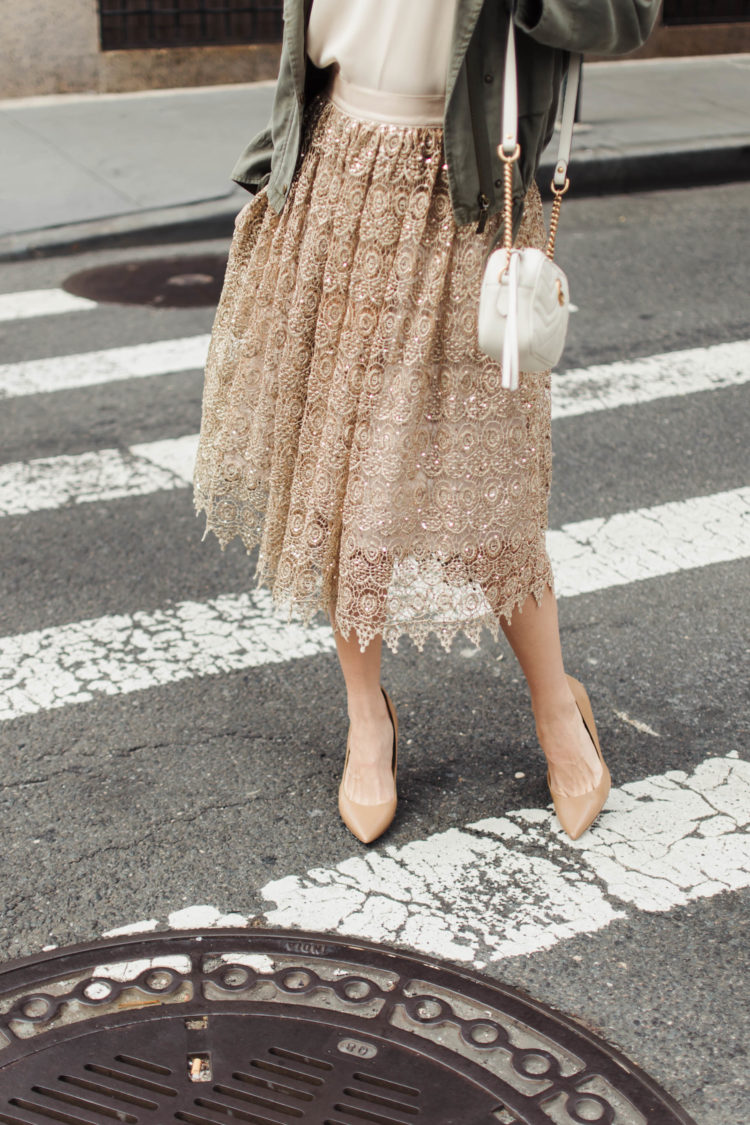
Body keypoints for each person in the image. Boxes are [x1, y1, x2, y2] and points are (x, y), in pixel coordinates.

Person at [193, 0, 659, 845]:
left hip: (463, 196)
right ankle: (367, 717)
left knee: (487, 482)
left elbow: (628, 16)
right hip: (333, 174)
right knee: (338, 468)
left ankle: (560, 708)